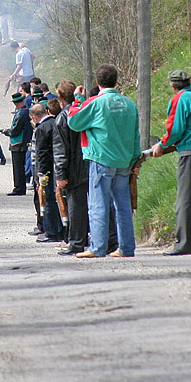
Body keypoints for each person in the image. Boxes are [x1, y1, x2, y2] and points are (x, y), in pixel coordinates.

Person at [69, 64, 142, 258]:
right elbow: (136, 135)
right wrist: (135, 161)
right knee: (123, 206)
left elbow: (74, 122)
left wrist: (77, 99)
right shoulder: (129, 104)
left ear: (97, 82)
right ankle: (127, 248)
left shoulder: (95, 103)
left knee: (98, 205)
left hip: (101, 160)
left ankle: (98, 247)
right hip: (124, 161)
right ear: (116, 80)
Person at [151, 70, 191, 256]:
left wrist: (161, 145)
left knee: (185, 199)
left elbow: (175, 129)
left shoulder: (178, 100)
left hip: (188, 153)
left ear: (172, 85)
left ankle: (184, 244)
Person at [53, 81, 90, 255]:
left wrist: (60, 173)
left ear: (60, 96)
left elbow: (60, 149)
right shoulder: (85, 110)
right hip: (91, 164)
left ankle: (76, 242)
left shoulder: (62, 117)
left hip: (74, 169)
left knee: (76, 206)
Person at [31, 103, 65, 243]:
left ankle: (52, 232)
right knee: (58, 200)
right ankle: (61, 229)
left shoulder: (41, 129)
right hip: (58, 167)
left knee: (48, 200)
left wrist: (40, 173)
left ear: (34, 117)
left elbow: (41, 153)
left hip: (47, 170)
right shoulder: (55, 122)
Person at [0, 92, 32, 196]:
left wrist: (6, 131)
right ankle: (21, 188)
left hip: (18, 143)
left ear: (14, 103)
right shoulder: (27, 111)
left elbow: (15, 131)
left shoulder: (20, 114)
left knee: (17, 168)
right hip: (25, 141)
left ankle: (18, 188)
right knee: (21, 167)